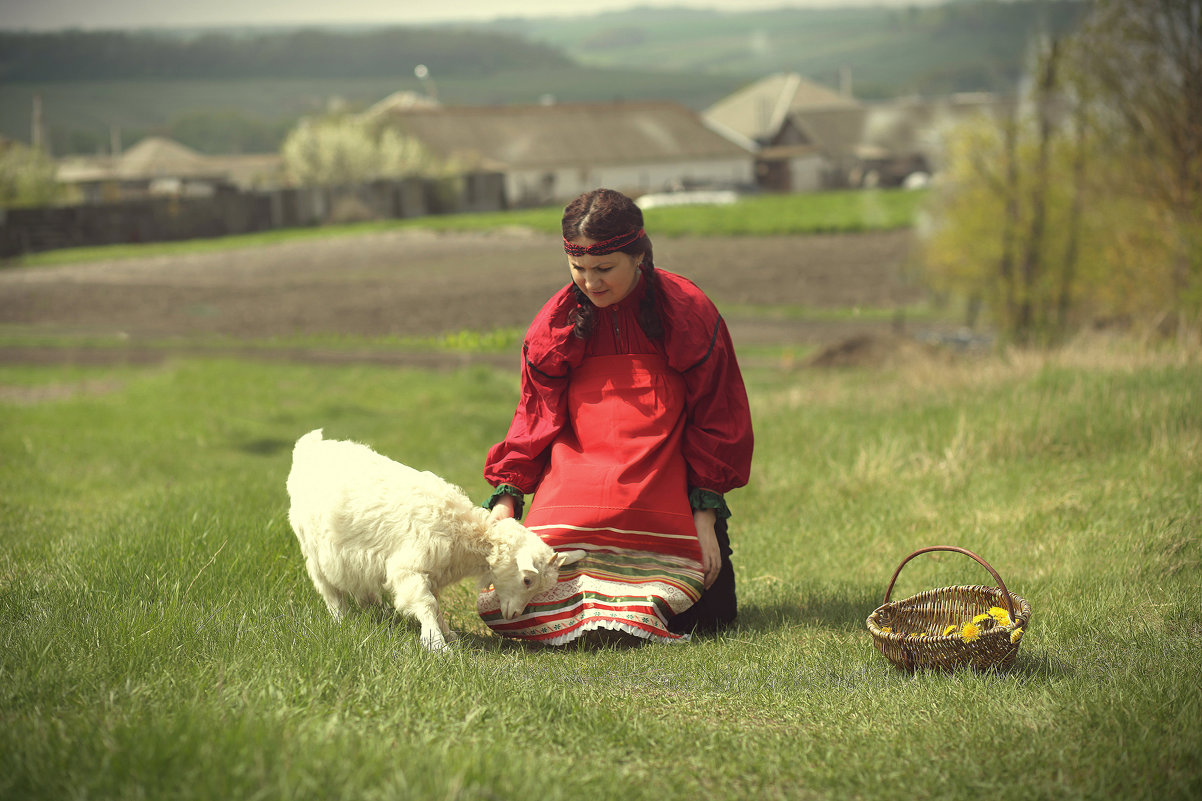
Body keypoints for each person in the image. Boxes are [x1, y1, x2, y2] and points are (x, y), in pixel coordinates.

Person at [477, 188, 753, 645]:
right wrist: (508, 498)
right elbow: (534, 416)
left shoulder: (686, 312)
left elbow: (717, 414)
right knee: (518, 605)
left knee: (712, 618)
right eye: (578, 270)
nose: (591, 282)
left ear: (639, 256)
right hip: (578, 485)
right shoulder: (555, 325)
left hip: (665, 486)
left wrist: (704, 513)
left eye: (604, 269)